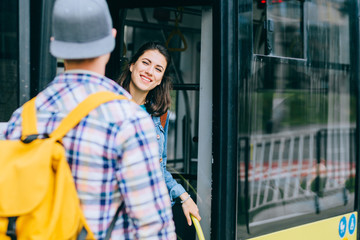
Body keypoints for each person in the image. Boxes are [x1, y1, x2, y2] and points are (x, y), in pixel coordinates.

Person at [2, 1, 176, 239]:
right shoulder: (129, 119)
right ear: (112, 39)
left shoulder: (22, 117)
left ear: (55, 45)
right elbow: (153, 228)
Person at [117, 41, 201, 227]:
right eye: (145, 63)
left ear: (161, 79)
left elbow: (158, 170)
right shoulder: (109, 106)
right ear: (132, 65)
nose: (149, 71)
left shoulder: (159, 115)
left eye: (158, 69)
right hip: (116, 215)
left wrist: (184, 196)